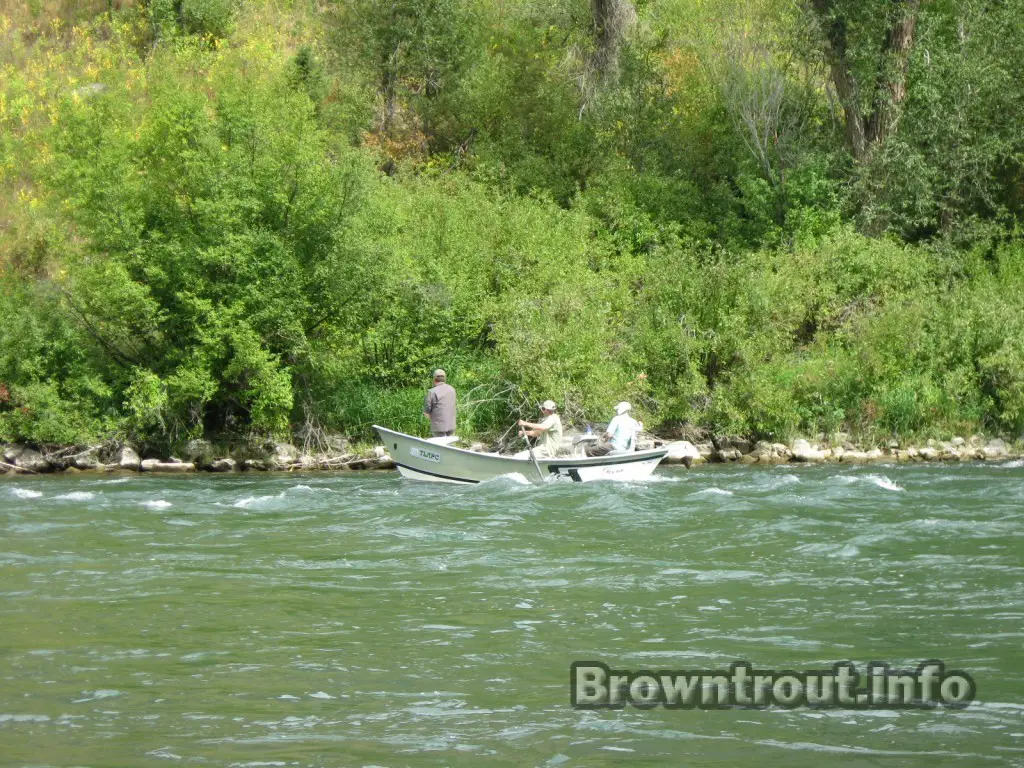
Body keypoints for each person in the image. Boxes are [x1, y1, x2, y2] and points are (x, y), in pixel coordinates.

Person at [423, 368, 456, 437]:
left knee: (440, 446)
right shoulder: (452, 389)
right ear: (445, 379)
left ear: (434, 379)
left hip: (438, 427)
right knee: (449, 446)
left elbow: (426, 413)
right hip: (452, 426)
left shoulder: (431, 392)